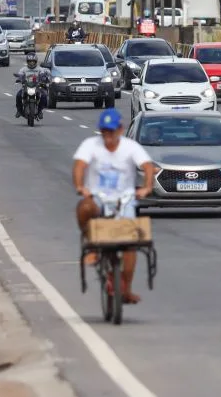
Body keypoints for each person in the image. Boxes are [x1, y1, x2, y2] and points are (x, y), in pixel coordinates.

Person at [73, 108, 156, 304]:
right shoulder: (90, 145)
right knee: (84, 207)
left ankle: (126, 287)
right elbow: (79, 166)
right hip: (98, 199)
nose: (108, 136)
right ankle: (92, 245)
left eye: (111, 131)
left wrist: (147, 187)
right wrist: (80, 186)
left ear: (120, 129)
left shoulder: (130, 147)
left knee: (131, 244)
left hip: (124, 201)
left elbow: (147, 166)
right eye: (104, 131)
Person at [15, 53, 49, 119]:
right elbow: (20, 75)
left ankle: (39, 111)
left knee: (44, 96)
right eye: (30, 61)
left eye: (33, 61)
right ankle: (19, 110)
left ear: (35, 61)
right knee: (18, 95)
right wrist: (19, 78)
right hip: (26, 86)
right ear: (27, 62)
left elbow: (43, 75)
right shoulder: (23, 69)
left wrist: (44, 78)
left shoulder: (40, 69)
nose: (31, 63)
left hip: (37, 87)